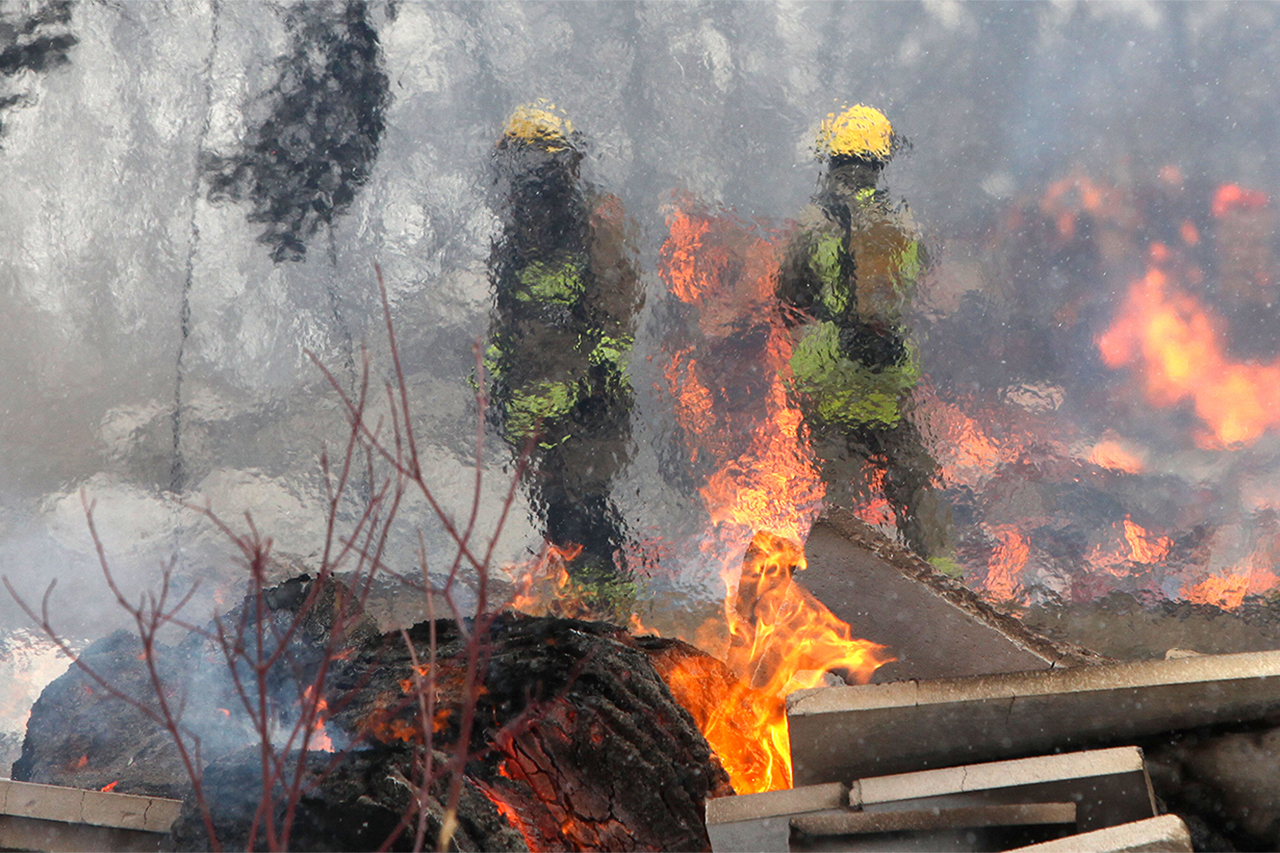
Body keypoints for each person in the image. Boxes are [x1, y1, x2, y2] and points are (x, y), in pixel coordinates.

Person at [776, 104, 948, 560]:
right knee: (910, 480)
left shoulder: (815, 221)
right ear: (879, 162)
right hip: (889, 370)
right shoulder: (903, 221)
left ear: (833, 161)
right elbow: (916, 282)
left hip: (830, 371)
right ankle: (941, 577)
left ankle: (847, 580)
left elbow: (790, 293)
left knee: (838, 486)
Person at [485, 102, 643, 595]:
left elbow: (619, 317)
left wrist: (590, 384)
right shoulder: (514, 235)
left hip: (588, 409)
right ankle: (579, 622)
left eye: (539, 163)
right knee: (556, 522)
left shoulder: (597, 222)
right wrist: (491, 386)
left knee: (590, 519)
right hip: (535, 413)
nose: (530, 178)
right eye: (522, 163)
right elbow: (503, 325)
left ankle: (610, 622)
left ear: (565, 165)